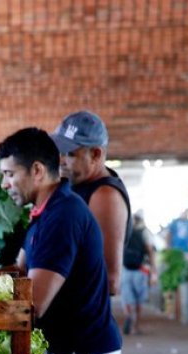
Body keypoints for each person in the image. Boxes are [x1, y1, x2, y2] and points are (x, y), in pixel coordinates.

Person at [0, 127, 121, 354]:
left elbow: (32, 303)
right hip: (72, 350)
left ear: (37, 171)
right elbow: (17, 271)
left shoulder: (63, 216)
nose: (4, 183)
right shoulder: (42, 214)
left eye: (9, 174)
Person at [51, 110, 131, 296]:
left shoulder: (105, 196)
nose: (61, 161)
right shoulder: (79, 185)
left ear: (95, 154)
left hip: (83, 320)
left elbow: (110, 280)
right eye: (60, 152)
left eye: (70, 154)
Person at [121, 213, 157, 335]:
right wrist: (153, 269)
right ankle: (136, 326)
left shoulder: (125, 231)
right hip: (140, 269)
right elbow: (150, 250)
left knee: (127, 297)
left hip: (125, 269)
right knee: (139, 299)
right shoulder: (144, 232)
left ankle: (128, 315)